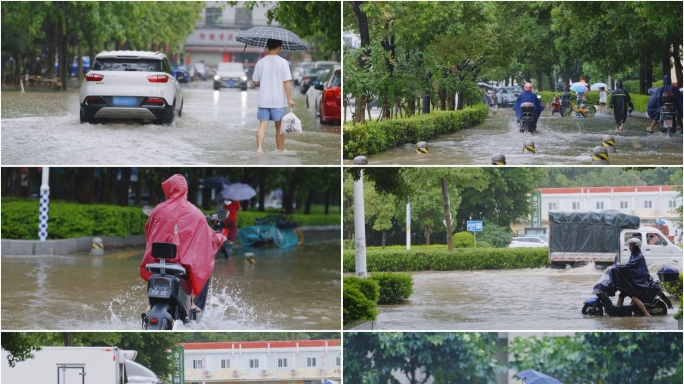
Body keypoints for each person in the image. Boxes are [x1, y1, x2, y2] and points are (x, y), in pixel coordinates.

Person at [140, 174, 226, 312]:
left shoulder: (158, 209)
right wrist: (220, 238)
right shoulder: (195, 213)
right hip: (182, 262)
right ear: (185, 189)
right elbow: (207, 238)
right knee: (203, 266)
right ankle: (191, 303)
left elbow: (148, 231)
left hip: (156, 259)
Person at [253, 39, 295, 153]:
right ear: (278, 47)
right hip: (278, 101)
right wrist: (290, 98)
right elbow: (286, 82)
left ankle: (260, 148)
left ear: (267, 46)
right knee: (279, 127)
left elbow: (255, 82)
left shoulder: (260, 62)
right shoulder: (283, 62)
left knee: (263, 124)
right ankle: (279, 151)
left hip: (264, 100)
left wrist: (264, 79)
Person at [612, 238, 651, 317]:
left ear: (635, 246)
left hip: (640, 282)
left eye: (630, 245)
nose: (629, 247)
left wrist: (618, 267)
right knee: (622, 294)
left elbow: (629, 266)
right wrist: (619, 266)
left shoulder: (639, 257)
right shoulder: (633, 255)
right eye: (629, 245)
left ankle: (646, 313)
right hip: (634, 280)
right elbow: (628, 266)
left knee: (634, 297)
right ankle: (618, 312)